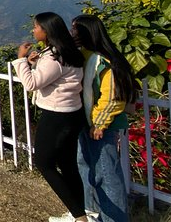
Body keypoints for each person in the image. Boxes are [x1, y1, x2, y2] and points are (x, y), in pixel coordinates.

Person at [11, 12, 90, 222]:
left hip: (56, 116)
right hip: (72, 114)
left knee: (44, 163)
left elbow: (31, 84)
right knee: (68, 164)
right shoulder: (69, 52)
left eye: (36, 27)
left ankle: (80, 217)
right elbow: (54, 79)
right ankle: (79, 211)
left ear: (47, 31)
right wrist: (35, 62)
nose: (33, 30)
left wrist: (21, 60)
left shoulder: (55, 57)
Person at [70, 15, 136, 222]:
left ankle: (114, 219)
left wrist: (100, 123)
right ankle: (94, 213)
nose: (73, 34)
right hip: (88, 123)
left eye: (75, 30)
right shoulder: (87, 56)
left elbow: (113, 95)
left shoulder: (103, 60)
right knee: (87, 168)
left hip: (100, 126)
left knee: (106, 175)